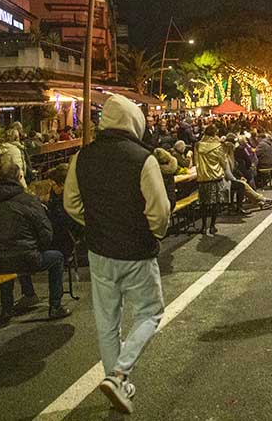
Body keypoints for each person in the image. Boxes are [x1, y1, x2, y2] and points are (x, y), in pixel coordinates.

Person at [63, 94, 170, 414]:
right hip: (136, 251)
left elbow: (71, 204)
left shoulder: (82, 157)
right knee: (150, 312)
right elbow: (160, 212)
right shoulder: (143, 158)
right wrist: (153, 233)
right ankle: (120, 372)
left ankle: (118, 382)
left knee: (107, 322)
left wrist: (95, 224)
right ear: (134, 121)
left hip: (99, 251)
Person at [0, 162, 71, 319]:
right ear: (19, 177)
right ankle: (55, 306)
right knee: (57, 258)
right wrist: (38, 248)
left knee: (6, 259)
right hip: (27, 257)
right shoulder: (28, 200)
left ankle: (7, 309)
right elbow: (45, 231)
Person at [194, 125, 227, 235]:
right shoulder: (217, 146)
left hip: (203, 178)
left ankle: (203, 226)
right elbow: (223, 161)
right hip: (215, 177)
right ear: (214, 134)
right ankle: (212, 225)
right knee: (215, 203)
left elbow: (196, 161)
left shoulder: (198, 145)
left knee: (203, 203)